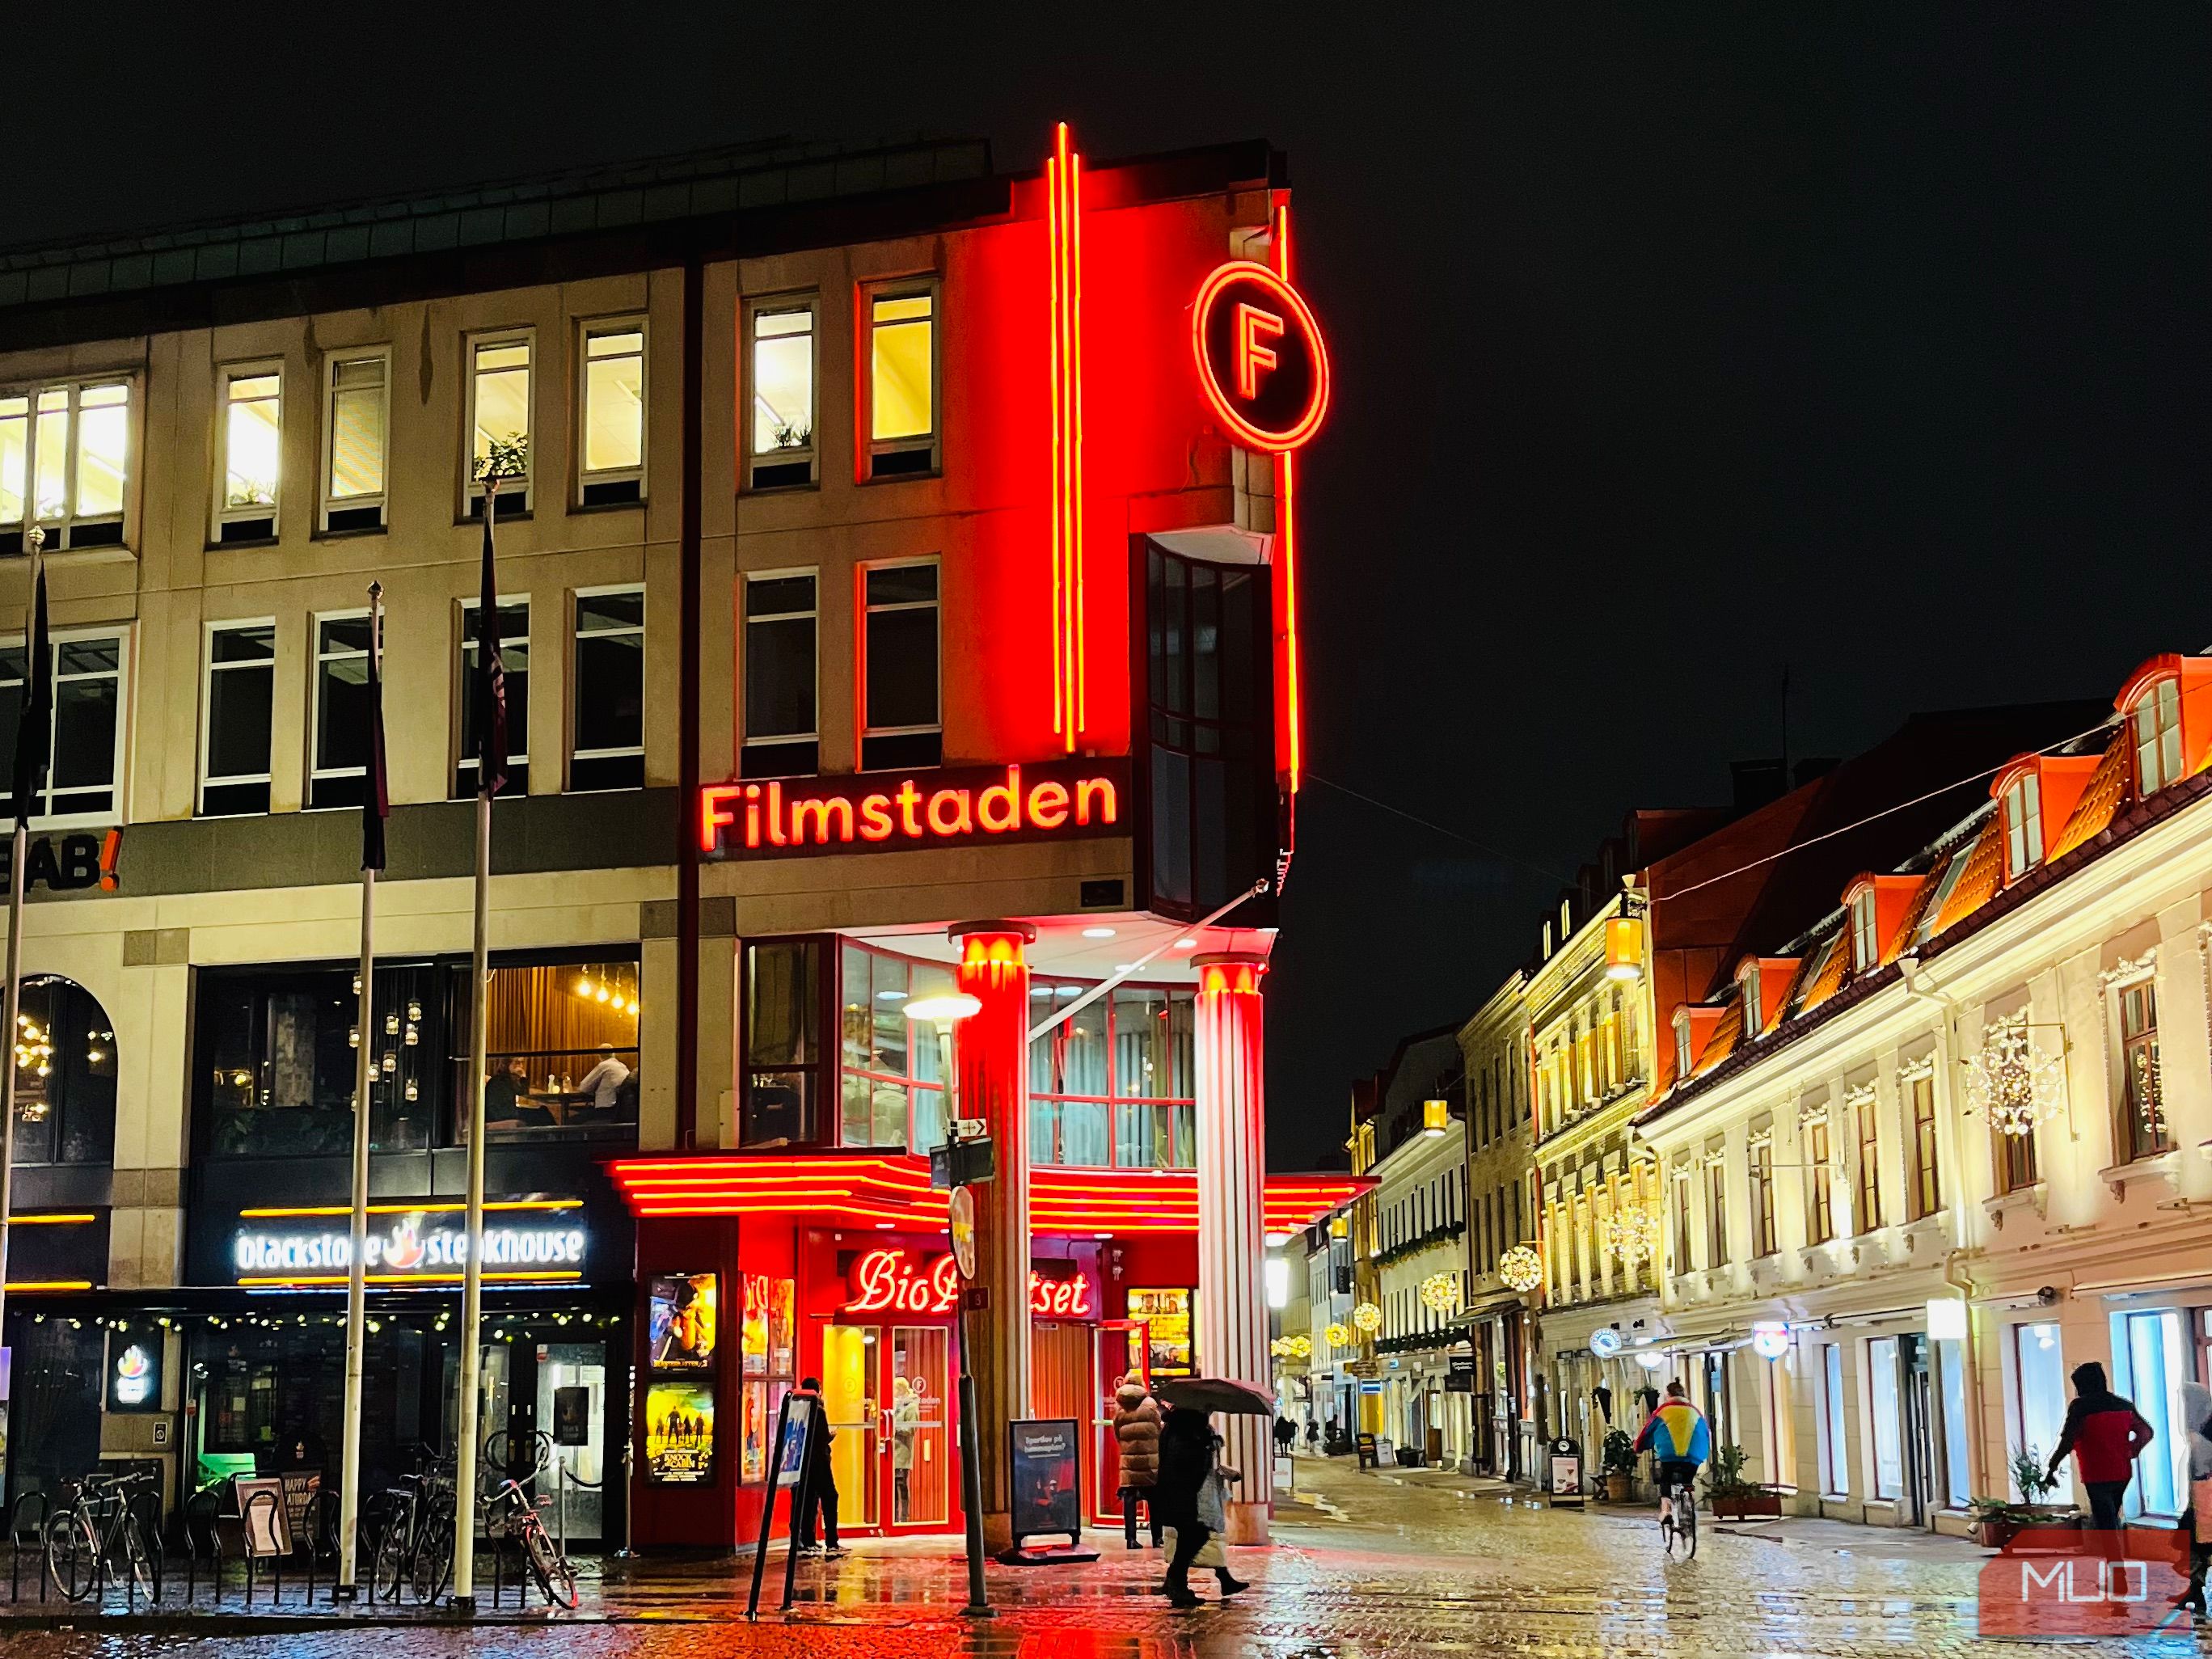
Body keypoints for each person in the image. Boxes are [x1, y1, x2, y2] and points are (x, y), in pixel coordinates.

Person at [1154, 1408, 1247, 1607]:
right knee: (1196, 1534)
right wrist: (1205, 1445)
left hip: (1184, 1491)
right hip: (1184, 1491)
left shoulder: (1181, 1427)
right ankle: (1176, 1583)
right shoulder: (1182, 1429)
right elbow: (1182, 1457)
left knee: (1193, 1535)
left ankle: (1176, 1583)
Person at [2046, 1361, 2155, 1531]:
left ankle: (2114, 1557)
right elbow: (2146, 1432)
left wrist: (2052, 1466)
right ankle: (2114, 1554)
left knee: (2106, 1522)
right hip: (2122, 1471)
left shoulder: (2080, 1407)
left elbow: (2068, 1440)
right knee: (2110, 1516)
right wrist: (2131, 1451)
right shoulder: (2124, 1406)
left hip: (2095, 1472)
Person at [1631, 1380, 1711, 1533]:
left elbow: (1647, 1432)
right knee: (1688, 1479)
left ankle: (1666, 1510)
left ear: (1668, 1395)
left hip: (1669, 1454)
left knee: (1665, 1478)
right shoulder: (1695, 1411)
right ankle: (1690, 1502)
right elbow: (1706, 1433)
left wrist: (1639, 1447)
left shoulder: (1663, 1411)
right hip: (1694, 1454)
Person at [794, 1378, 844, 1558]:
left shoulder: (798, 1409)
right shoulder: (819, 1410)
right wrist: (832, 1436)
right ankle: (832, 1541)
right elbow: (822, 1438)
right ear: (818, 1391)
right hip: (820, 1463)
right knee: (830, 1497)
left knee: (808, 1501)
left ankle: (808, 1541)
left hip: (803, 1465)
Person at [1112, 1376, 1163, 1548]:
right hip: (1150, 1460)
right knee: (1155, 1500)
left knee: (1129, 1501)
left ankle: (1131, 1539)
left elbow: (1117, 1433)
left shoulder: (1119, 1406)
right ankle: (1157, 1538)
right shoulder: (1150, 1404)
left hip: (1129, 1461)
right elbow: (1158, 1428)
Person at [2179, 1380, 2212, 1619]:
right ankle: (2194, 1591)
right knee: (2193, 1543)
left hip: (2205, 1498)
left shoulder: (2200, 1434)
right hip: (2202, 1498)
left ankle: (2195, 1592)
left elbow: (2200, 1470)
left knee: (2195, 1543)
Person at [576, 1044, 632, 1113]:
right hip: (621, 1108)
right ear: (613, 1054)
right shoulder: (622, 1066)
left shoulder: (604, 1065)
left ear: (599, 1055)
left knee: (575, 1119)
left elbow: (583, 1087)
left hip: (606, 1108)